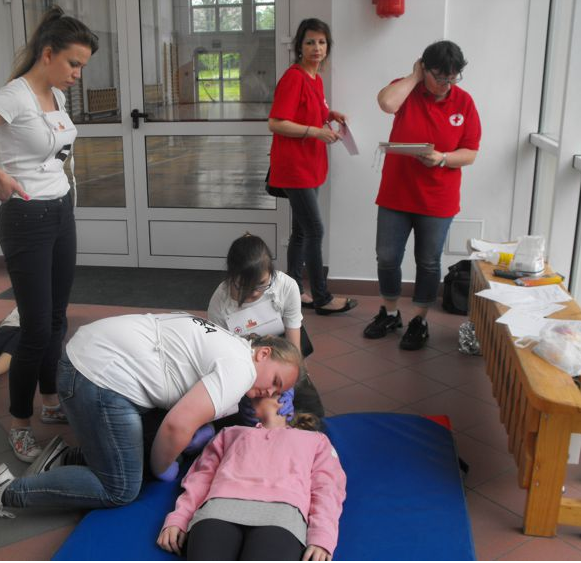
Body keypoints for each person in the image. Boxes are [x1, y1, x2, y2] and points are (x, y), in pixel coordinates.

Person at [0, 6, 99, 461]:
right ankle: (20, 423)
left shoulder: (56, 96)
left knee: (57, 320)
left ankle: (50, 401)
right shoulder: (15, 97)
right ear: (47, 54)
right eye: (73, 63)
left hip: (60, 212)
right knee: (34, 329)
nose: (78, 74)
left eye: (82, 66)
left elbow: (52, 152)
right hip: (26, 219)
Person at [0, 313, 302, 524]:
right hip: (95, 379)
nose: (269, 392)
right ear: (263, 353)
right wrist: (161, 469)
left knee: (141, 449)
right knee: (121, 488)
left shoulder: (233, 344)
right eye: (274, 381)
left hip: (85, 359)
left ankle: (63, 457)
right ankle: (5, 492)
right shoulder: (241, 370)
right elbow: (177, 426)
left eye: (277, 392)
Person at [365, 41, 481, 350]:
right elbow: (387, 103)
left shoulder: (464, 103)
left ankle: (420, 319)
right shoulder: (407, 90)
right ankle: (390, 313)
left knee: (428, 261)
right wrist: (415, 77)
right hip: (396, 193)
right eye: (439, 77)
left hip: (438, 198)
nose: (446, 84)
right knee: (387, 256)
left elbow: (470, 152)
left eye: (452, 77)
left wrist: (442, 158)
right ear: (423, 68)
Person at [156, 396, 346, 561]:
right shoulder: (230, 433)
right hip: (219, 509)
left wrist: (322, 535)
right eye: (256, 390)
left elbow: (327, 488)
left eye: (276, 387)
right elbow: (200, 478)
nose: (266, 391)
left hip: (281, 516)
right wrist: (179, 518)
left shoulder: (315, 440)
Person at [268, 18, 358, 317]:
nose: (316, 48)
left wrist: (329, 114)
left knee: (301, 232)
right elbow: (276, 122)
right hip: (295, 168)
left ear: (327, 46)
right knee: (314, 230)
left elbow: (307, 111)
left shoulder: (315, 79)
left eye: (321, 42)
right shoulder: (293, 78)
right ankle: (321, 297)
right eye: (310, 42)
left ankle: (293, 292)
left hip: (312, 165)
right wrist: (315, 131)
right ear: (299, 47)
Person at [207, 233, 324, 417]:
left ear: (271, 271)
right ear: (232, 277)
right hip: (245, 364)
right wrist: (249, 389)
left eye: (262, 284)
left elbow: (294, 349)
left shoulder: (286, 286)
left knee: (312, 411)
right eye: (244, 286)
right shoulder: (219, 303)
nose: (255, 292)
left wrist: (290, 384)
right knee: (246, 416)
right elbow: (221, 356)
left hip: (284, 355)